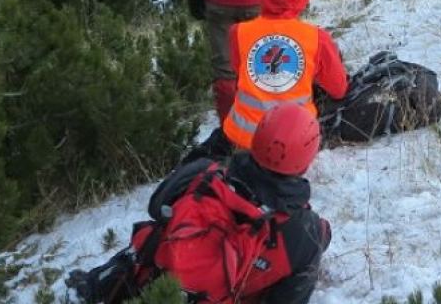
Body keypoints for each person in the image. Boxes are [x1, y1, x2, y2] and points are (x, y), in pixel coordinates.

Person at [66, 103, 332, 304]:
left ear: (258, 136)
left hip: (158, 285)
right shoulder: (307, 232)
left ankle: (91, 287)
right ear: (307, 158)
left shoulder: (205, 172)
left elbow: (157, 207)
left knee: (153, 233)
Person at [190, 0, 348, 159]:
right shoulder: (318, 38)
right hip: (294, 142)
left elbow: (241, 75)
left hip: (242, 139)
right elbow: (339, 89)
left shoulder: (238, 32)